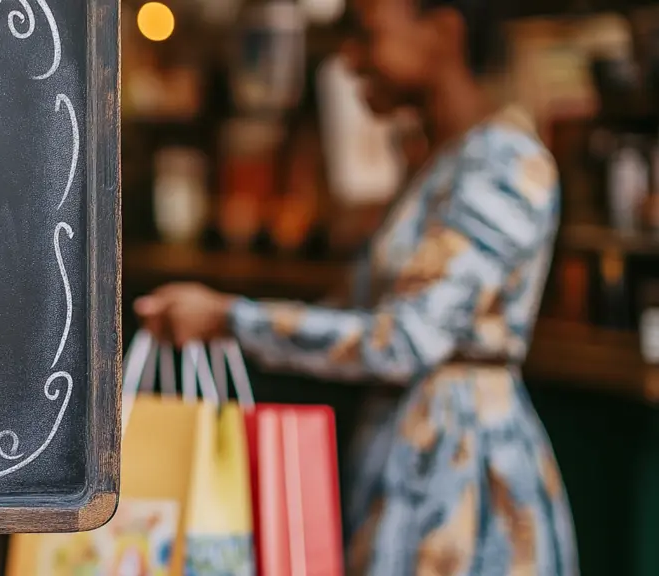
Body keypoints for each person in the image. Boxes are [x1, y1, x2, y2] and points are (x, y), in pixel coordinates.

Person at [133, 0, 579, 572]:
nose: (349, 58)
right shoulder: (441, 162)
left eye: (366, 35)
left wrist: (228, 318)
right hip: (409, 462)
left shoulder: (506, 162)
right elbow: (365, 323)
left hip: (463, 488)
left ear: (444, 30)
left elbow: (400, 341)